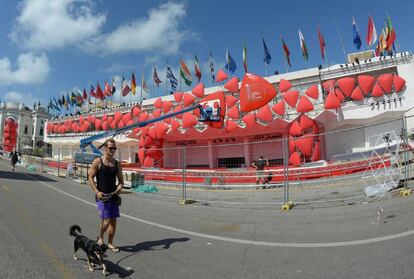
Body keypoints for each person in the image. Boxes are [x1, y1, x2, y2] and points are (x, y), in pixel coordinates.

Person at [88, 139, 123, 252]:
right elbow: (90, 178)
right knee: (106, 221)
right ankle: (100, 237)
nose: (113, 150)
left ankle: (110, 243)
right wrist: (96, 192)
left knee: (113, 221)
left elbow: (121, 181)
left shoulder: (117, 164)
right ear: (105, 148)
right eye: (111, 148)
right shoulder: (97, 162)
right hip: (101, 197)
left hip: (113, 196)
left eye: (114, 148)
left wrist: (119, 187)